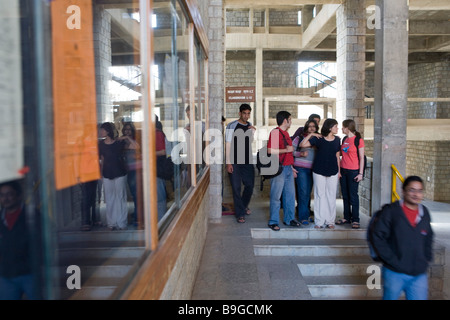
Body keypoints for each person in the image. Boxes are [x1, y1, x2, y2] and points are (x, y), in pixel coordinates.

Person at [371, 176, 433, 300]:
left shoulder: (424, 212)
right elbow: (378, 237)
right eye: (412, 190)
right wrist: (391, 260)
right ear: (403, 191)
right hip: (394, 272)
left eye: (419, 191)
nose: (416, 194)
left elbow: (429, 237)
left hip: (418, 274)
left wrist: (426, 258)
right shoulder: (391, 211)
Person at [300, 118, 340, 229]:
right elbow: (302, 144)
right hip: (318, 170)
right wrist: (311, 134)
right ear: (330, 127)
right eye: (336, 126)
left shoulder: (337, 140)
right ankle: (319, 221)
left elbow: (337, 156)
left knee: (331, 196)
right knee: (319, 195)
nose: (337, 128)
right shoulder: (319, 139)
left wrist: (339, 171)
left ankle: (330, 221)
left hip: (333, 170)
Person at [0, 180, 36, 299]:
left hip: (30, 273)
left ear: (18, 195)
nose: (6, 198)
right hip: (6, 276)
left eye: (9, 194)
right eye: (2, 195)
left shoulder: (32, 215)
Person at [99, 122, 138, 230]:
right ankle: (111, 223)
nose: (101, 132)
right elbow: (102, 159)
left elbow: (136, 146)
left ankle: (122, 223)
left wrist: (126, 137)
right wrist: (101, 174)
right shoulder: (101, 144)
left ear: (108, 131)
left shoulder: (118, 143)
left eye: (103, 130)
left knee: (120, 198)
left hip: (120, 173)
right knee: (110, 199)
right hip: (107, 174)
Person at [267, 111, 300, 231]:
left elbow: (288, 153)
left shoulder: (285, 133)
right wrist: (286, 150)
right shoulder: (276, 132)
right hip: (278, 168)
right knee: (276, 196)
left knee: (290, 196)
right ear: (285, 120)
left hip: (288, 168)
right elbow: (270, 150)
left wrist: (291, 168)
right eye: (290, 119)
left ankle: (289, 219)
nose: (291, 122)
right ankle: (273, 221)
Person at [225, 104, 256, 223]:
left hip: (247, 160)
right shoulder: (231, 126)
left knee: (249, 185)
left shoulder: (249, 125)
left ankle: (242, 206)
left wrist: (252, 132)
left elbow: (250, 141)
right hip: (234, 161)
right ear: (239, 113)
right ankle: (240, 214)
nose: (246, 116)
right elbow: (227, 144)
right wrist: (228, 163)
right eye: (244, 113)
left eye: (248, 113)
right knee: (236, 187)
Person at [336, 119, 365, 229]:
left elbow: (362, 158)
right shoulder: (344, 139)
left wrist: (360, 173)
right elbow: (341, 155)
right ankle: (346, 217)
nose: (342, 129)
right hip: (344, 170)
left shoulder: (358, 140)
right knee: (345, 195)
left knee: (353, 196)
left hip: (354, 171)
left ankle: (356, 219)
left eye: (343, 127)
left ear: (347, 128)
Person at [292, 119, 319, 225]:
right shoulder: (299, 138)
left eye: (314, 126)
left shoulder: (318, 139)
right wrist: (301, 154)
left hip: (313, 169)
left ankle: (306, 215)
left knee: (307, 193)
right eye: (310, 126)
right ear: (306, 127)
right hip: (301, 169)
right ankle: (303, 217)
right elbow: (291, 151)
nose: (312, 128)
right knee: (303, 193)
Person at [122, 122, 143, 227]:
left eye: (129, 129)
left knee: (136, 195)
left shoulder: (134, 140)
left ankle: (138, 219)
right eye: (126, 129)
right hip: (127, 171)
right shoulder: (122, 142)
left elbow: (136, 146)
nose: (127, 131)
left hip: (136, 170)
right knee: (133, 195)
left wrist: (127, 137)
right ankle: (136, 216)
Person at [155, 115, 168, 220]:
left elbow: (163, 151)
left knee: (159, 198)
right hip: (155, 169)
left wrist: (147, 153)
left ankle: (160, 221)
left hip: (158, 169)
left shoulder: (157, 134)